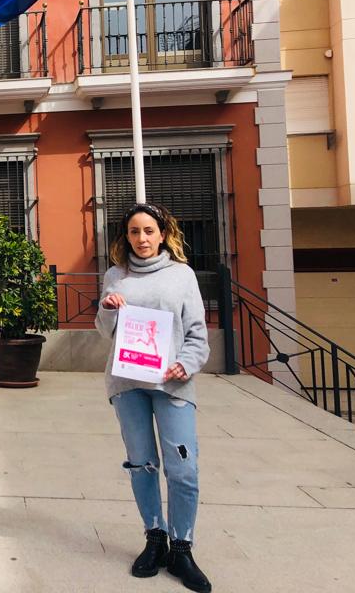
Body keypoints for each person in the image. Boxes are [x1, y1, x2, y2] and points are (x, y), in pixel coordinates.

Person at [95, 203, 212, 593]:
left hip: (172, 384)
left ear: (163, 234)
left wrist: (186, 363)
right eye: (133, 232)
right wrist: (108, 308)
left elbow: (197, 333)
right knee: (141, 464)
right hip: (127, 384)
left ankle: (182, 547)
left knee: (182, 469)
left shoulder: (182, 276)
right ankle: (154, 538)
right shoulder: (116, 275)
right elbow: (105, 329)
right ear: (125, 237)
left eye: (148, 231)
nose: (141, 239)